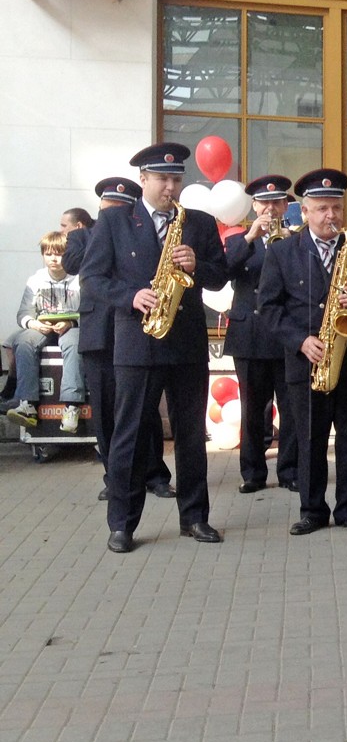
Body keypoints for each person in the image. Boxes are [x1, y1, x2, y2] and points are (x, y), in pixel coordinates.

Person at [80, 143, 228, 553]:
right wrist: (131, 296)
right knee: (129, 436)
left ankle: (195, 518)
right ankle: (123, 524)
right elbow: (92, 279)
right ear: (143, 180)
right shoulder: (114, 221)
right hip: (137, 345)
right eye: (162, 179)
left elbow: (219, 276)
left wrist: (198, 265)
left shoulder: (197, 222)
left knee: (192, 436)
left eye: (176, 179)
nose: (170, 187)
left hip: (186, 345)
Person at [257, 169, 347, 535]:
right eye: (321, 209)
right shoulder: (283, 251)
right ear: (304, 212)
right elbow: (268, 309)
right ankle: (312, 510)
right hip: (307, 362)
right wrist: (301, 340)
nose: (331, 216)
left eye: (336, 207)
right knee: (309, 440)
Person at [63, 177, 174, 501]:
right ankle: (115, 477)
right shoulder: (84, 234)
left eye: (121, 207)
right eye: (109, 207)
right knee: (106, 410)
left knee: (145, 409)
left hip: (133, 330)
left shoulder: (141, 231)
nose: (115, 212)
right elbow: (74, 265)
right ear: (100, 208)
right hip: (99, 335)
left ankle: (155, 475)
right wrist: (105, 238)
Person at [224, 174, 301, 495]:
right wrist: (251, 238)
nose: (270, 208)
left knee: (292, 407)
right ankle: (253, 472)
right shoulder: (237, 240)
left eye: (276, 202)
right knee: (253, 408)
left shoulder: (297, 239)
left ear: (286, 205)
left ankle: (290, 470)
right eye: (264, 203)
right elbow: (223, 272)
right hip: (250, 334)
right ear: (253, 206)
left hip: (286, 334)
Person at [3, 231, 85, 432]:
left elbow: (88, 313)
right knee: (23, 341)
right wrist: (34, 324)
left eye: (59, 253)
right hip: (43, 327)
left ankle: (71, 406)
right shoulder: (35, 280)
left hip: (71, 327)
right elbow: (23, 313)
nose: (54, 259)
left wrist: (70, 323)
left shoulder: (79, 279)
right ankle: (27, 405)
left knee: (74, 345)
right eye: (48, 254)